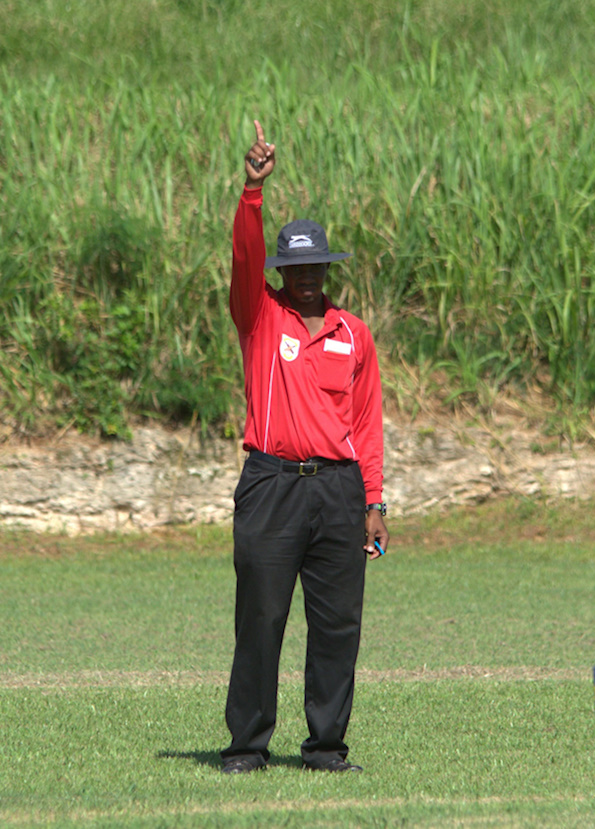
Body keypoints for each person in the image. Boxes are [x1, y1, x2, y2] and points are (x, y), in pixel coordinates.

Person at [221, 121, 388, 775]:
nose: (308, 276)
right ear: (282, 271)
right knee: (262, 616)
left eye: (317, 264)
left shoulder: (354, 334)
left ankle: (325, 744)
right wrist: (252, 191)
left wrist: (374, 500)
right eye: (295, 266)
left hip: (339, 488)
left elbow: (368, 423)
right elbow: (242, 255)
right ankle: (247, 744)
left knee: (338, 622)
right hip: (272, 484)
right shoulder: (260, 316)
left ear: (327, 266)